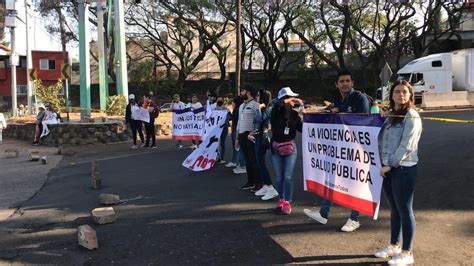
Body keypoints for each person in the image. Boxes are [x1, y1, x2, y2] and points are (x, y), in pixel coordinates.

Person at [304, 69, 370, 231]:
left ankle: (355, 218)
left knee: (355, 182)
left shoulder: (359, 98)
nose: (345, 84)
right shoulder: (337, 99)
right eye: (342, 81)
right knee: (331, 178)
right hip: (338, 149)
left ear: (352, 83)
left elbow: (363, 122)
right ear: (336, 84)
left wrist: (339, 114)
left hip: (356, 150)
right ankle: (323, 213)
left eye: (348, 81)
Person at [374, 80, 422, 265]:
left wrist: (390, 164)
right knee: (395, 209)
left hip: (403, 168)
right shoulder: (390, 116)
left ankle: (407, 253)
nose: (400, 95)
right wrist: (378, 118)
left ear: (410, 95)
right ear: (391, 95)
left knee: (405, 210)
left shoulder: (412, 116)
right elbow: (380, 138)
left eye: (404, 92)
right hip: (388, 168)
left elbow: (407, 146)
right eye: (397, 91)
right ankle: (394, 245)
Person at [270, 87, 303, 215]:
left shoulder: (294, 115)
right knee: (279, 177)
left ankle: (287, 202)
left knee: (288, 176)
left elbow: (303, 128)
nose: (291, 101)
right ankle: (281, 200)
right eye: (288, 98)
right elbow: (276, 103)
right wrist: (291, 99)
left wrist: (303, 115)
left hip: (290, 148)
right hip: (276, 147)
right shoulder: (275, 111)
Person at [251, 89, 278, 200]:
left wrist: (258, 107)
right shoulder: (263, 108)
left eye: (258, 96)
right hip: (257, 136)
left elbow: (259, 118)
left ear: (263, 97)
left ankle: (271, 187)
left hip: (263, 138)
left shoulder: (269, 108)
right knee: (259, 162)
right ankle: (266, 186)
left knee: (261, 163)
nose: (256, 97)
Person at [235, 84, 261, 190]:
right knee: (247, 160)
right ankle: (250, 182)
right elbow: (238, 123)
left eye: (242, 91)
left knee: (253, 160)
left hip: (250, 135)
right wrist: (237, 138)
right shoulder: (241, 105)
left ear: (248, 92)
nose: (241, 93)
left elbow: (258, 121)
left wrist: (252, 132)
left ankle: (258, 183)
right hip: (241, 135)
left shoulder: (255, 105)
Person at [226, 95, 247, 174]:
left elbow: (234, 119)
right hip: (237, 128)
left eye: (233, 102)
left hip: (237, 129)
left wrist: (229, 112)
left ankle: (242, 165)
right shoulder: (238, 109)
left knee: (238, 146)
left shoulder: (237, 109)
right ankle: (239, 163)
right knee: (238, 146)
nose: (232, 104)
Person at [215, 95, 229, 164]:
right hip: (216, 128)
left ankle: (222, 158)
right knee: (216, 143)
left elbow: (227, 119)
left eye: (221, 100)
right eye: (218, 100)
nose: (219, 101)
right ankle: (216, 156)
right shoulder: (215, 108)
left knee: (222, 143)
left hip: (224, 127)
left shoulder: (225, 108)